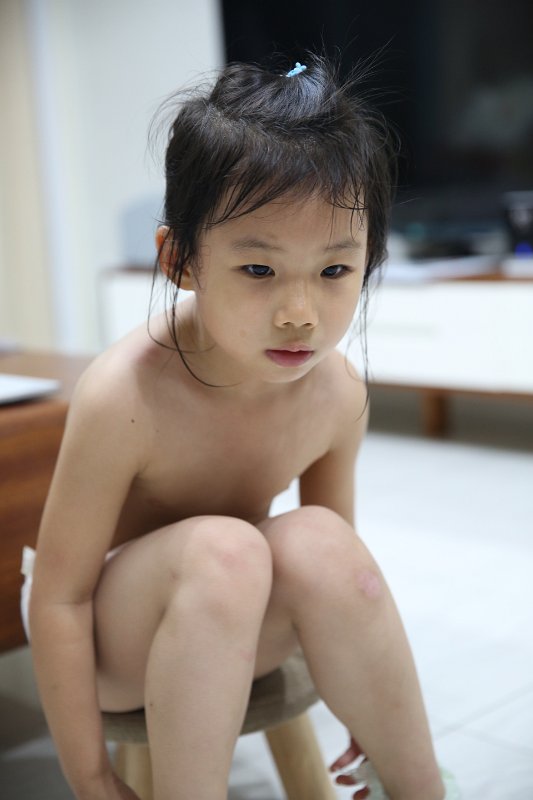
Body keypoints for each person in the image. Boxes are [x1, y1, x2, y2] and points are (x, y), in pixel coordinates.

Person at [23, 55, 458, 800]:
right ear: (180, 260)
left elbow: (333, 573)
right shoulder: (125, 396)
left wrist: (368, 699)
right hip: (109, 644)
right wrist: (89, 775)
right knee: (225, 550)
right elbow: (60, 599)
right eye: (258, 271)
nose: (300, 314)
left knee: (318, 539)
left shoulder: (335, 393)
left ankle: (420, 789)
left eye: (334, 271)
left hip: (239, 616)